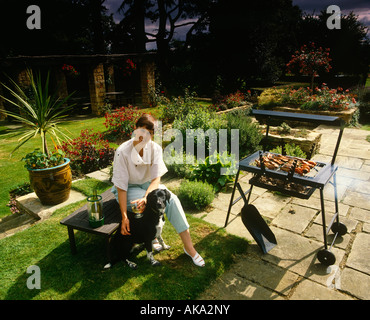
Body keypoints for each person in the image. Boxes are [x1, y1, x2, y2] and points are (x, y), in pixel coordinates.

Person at [111, 113, 205, 267]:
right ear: (135, 129)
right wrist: (124, 217)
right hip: (129, 188)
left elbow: (156, 180)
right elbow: (121, 187)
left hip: (148, 185)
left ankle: (189, 248)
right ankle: (152, 235)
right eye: (142, 130)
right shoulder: (122, 151)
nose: (144, 136)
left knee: (172, 200)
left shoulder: (155, 149)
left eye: (150, 132)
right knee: (141, 204)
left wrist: (147, 196)